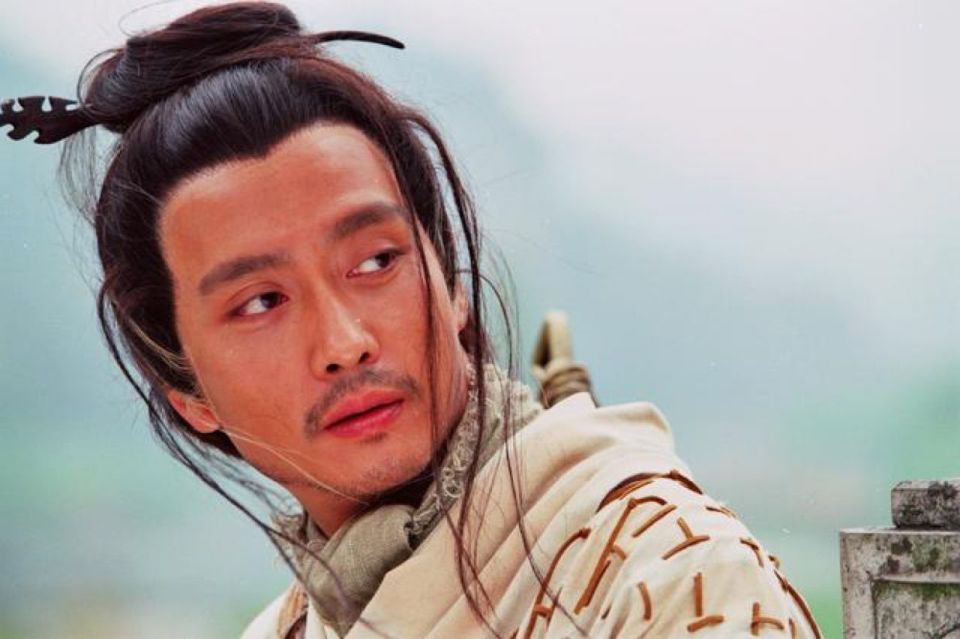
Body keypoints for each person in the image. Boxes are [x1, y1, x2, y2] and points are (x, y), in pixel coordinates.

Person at [1, 3, 822, 637]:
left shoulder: (671, 575)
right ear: (187, 389)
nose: (345, 342)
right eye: (260, 303)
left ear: (451, 281)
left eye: (376, 261)